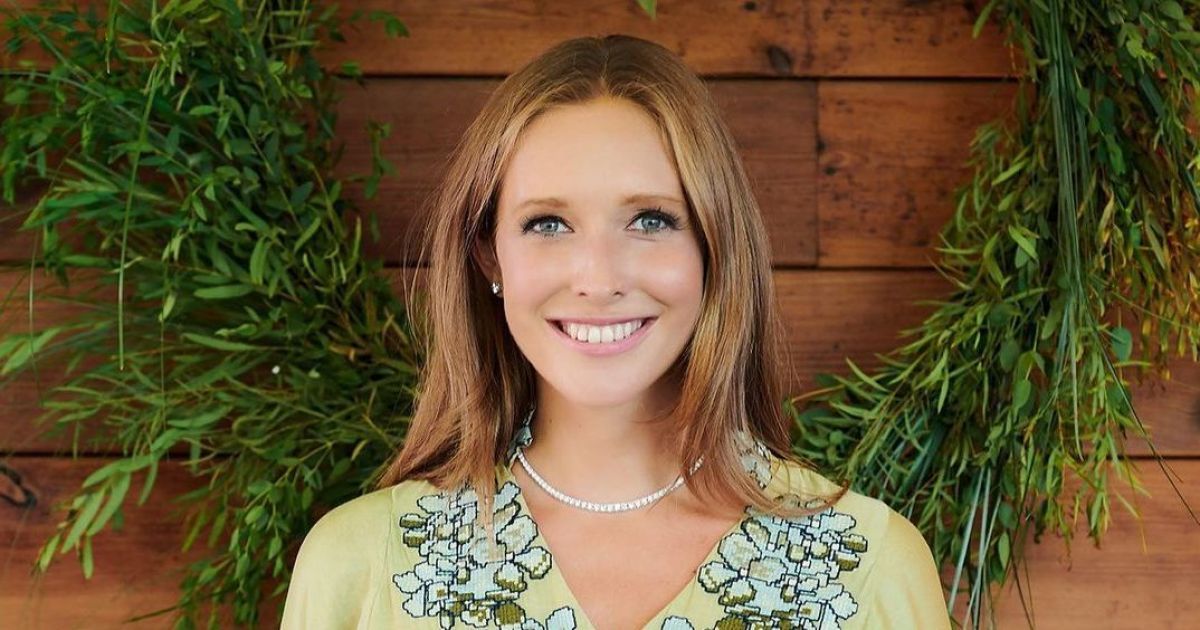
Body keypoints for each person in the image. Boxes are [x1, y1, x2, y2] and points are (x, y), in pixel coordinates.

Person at [281, 34, 950, 629]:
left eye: (651, 221)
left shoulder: (871, 571)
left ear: (714, 246)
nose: (599, 279)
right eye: (548, 224)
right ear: (489, 256)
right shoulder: (359, 566)